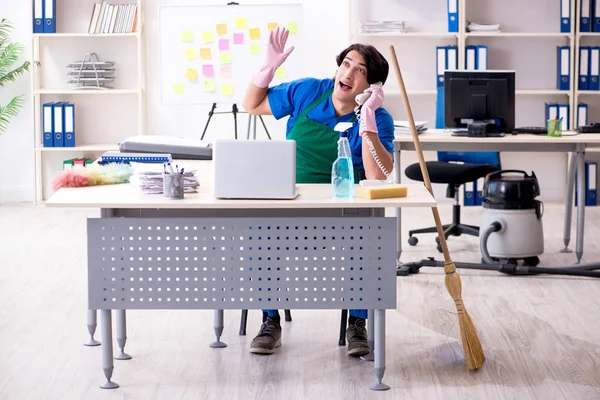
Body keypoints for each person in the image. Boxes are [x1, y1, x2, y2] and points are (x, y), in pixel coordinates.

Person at [242, 26, 395, 356]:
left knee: (369, 238)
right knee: (259, 235)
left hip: (343, 213)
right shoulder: (308, 92)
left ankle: (358, 323)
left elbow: (376, 175)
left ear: (372, 85)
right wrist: (266, 70)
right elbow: (252, 106)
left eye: (361, 71)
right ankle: (270, 321)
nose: (349, 73)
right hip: (289, 204)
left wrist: (366, 116)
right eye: (347, 64)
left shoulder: (379, 118)